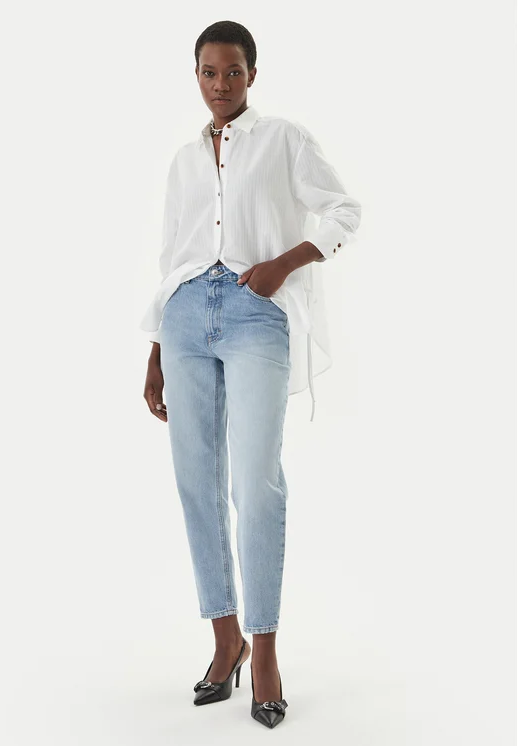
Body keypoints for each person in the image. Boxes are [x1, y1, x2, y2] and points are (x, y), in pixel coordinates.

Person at [141, 20, 362, 728]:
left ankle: (264, 650)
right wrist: (155, 349)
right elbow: (172, 255)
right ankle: (224, 638)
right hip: (184, 319)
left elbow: (344, 211)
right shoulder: (183, 160)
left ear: (252, 74)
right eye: (209, 72)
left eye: (232, 72)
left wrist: (282, 264)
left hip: (255, 311)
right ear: (196, 76)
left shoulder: (284, 139)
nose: (220, 84)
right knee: (195, 482)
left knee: (255, 483)